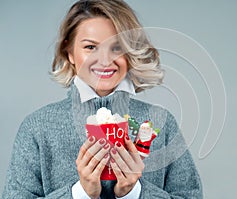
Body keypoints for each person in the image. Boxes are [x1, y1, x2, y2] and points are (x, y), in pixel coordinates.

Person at [2, 0, 203, 198]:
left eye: (117, 47)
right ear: (69, 52)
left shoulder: (161, 123)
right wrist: (79, 194)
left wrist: (135, 193)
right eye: (90, 47)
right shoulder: (37, 127)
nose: (105, 60)